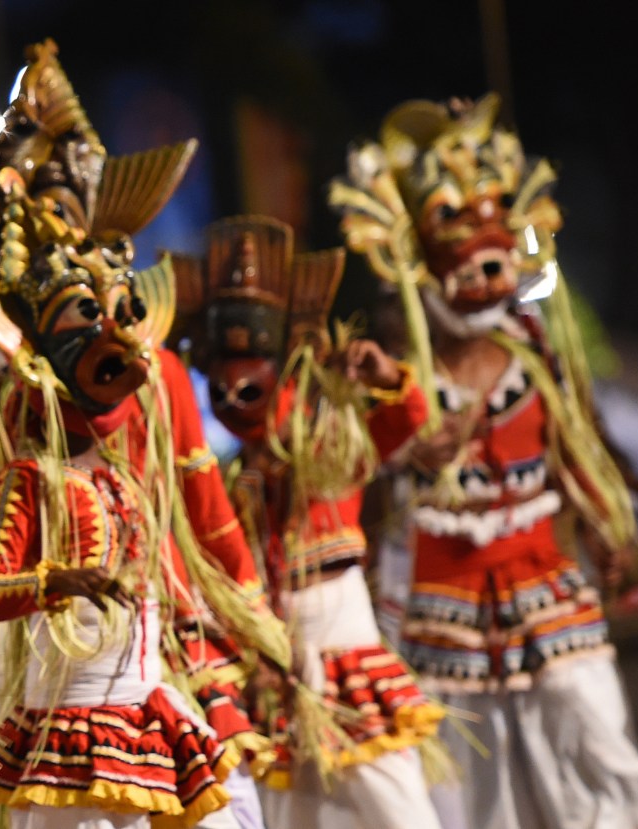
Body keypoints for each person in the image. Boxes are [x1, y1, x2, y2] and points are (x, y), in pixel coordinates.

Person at [0, 39, 283, 829]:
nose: (54, 235)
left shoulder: (160, 376)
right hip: (36, 666)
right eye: (32, 220)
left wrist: (252, 633)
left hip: (167, 648)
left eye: (69, 214)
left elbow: (208, 517)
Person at [330, 92, 638, 828]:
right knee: (470, 792)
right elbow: (357, 487)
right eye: (453, 219)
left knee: (598, 746)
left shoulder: (536, 356)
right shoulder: (395, 372)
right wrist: (402, 435)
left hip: (548, 593)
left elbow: (582, 453)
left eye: (490, 215)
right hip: (440, 612)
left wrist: (610, 530)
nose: (479, 240)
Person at [168, 214, 445, 828]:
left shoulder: (328, 440)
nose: (236, 406)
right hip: (273, 654)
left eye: (250, 391)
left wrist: (387, 379)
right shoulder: (229, 477)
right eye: (222, 394)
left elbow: (404, 423)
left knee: (394, 800)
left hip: (341, 630)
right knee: (296, 809)